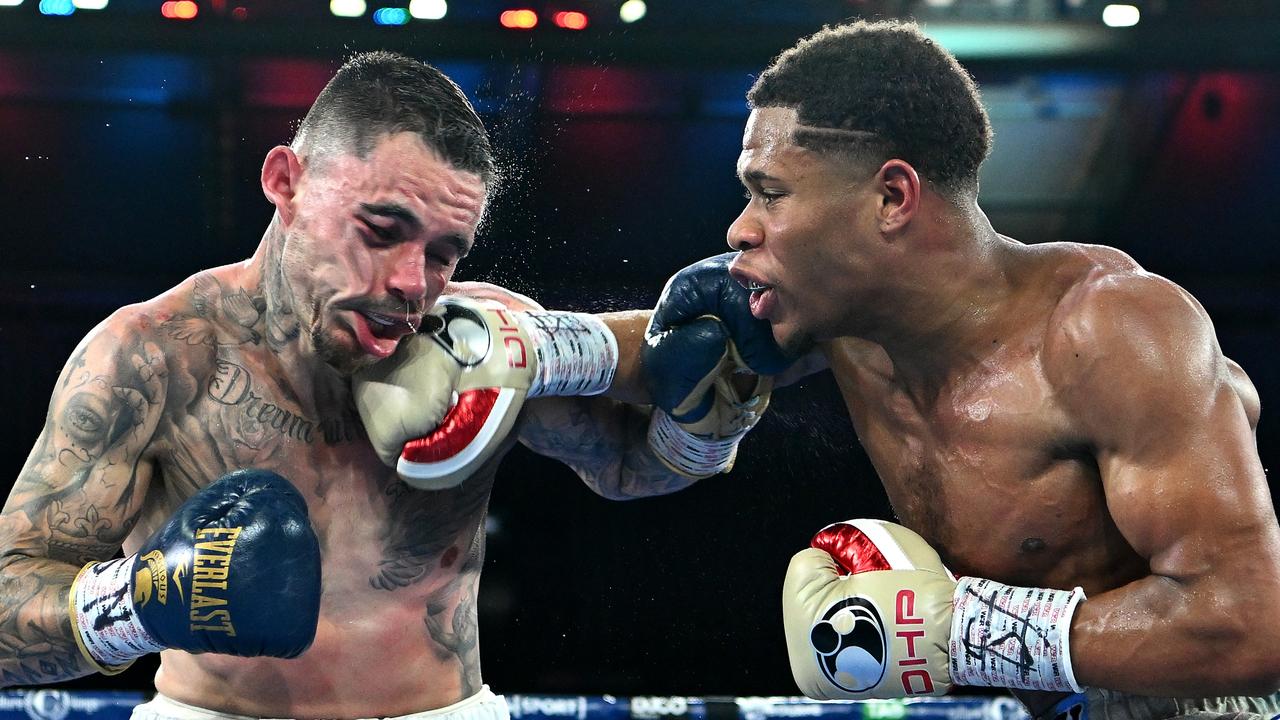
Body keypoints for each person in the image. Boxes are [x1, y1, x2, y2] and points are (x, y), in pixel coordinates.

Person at [0, 51, 774, 720]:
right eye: (380, 229)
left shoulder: (487, 342)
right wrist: (136, 606)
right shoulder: (154, 358)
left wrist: (709, 416)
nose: (411, 283)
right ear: (286, 181)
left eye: (445, 253)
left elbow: (633, 465)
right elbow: (9, 603)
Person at [645, 19, 1280, 720]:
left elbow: (1250, 621)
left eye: (770, 192)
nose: (740, 228)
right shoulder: (840, 321)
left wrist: (965, 634)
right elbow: (654, 346)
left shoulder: (1109, 331)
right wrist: (535, 345)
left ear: (891, 198)